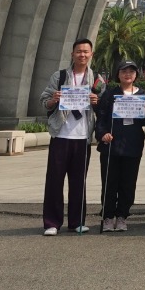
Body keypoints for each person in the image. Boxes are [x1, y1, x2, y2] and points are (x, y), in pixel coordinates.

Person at [40, 38, 101, 236]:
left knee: (78, 182)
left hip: (82, 137)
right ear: (72, 54)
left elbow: (105, 105)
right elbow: (44, 100)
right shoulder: (59, 76)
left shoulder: (97, 79)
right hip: (61, 135)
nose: (82, 55)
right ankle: (52, 222)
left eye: (86, 52)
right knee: (54, 180)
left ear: (91, 54)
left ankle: (77, 221)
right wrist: (53, 100)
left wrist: (97, 101)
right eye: (79, 51)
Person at [93, 60, 145, 232]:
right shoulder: (110, 94)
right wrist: (102, 134)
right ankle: (108, 217)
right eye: (124, 71)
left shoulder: (142, 95)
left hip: (132, 145)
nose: (127, 74)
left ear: (136, 75)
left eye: (131, 71)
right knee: (109, 183)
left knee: (128, 183)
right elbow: (101, 118)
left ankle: (122, 215)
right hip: (111, 146)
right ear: (118, 74)